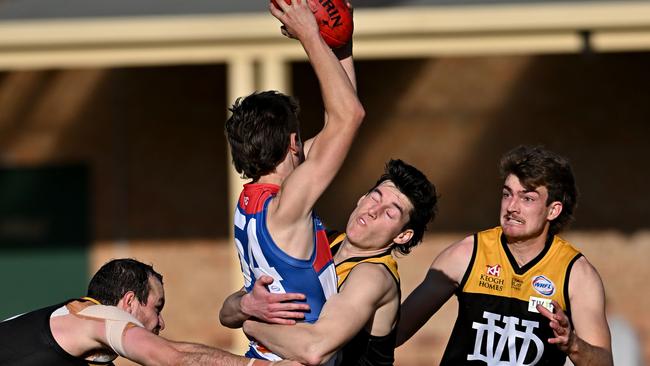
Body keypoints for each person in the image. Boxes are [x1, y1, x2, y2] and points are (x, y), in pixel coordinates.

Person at [222, 0, 364, 362]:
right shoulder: (288, 203)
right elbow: (348, 117)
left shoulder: (253, 201)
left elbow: (344, 114)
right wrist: (310, 36)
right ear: (293, 143)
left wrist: (340, 43)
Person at [397, 145, 612, 366]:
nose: (511, 207)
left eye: (527, 198)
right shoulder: (467, 253)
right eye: (507, 194)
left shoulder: (577, 274)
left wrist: (572, 344)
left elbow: (604, 362)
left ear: (553, 210)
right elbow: (396, 332)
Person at [224, 159, 437, 366]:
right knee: (192, 353)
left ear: (402, 236)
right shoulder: (321, 242)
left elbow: (314, 350)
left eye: (390, 213)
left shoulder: (373, 276)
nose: (373, 211)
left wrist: (251, 324)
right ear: (362, 198)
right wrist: (247, 305)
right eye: (375, 198)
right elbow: (226, 313)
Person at [0, 258, 297, 366]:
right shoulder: (95, 317)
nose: (161, 323)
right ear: (129, 303)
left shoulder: (84, 341)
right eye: (157, 308)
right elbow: (173, 357)